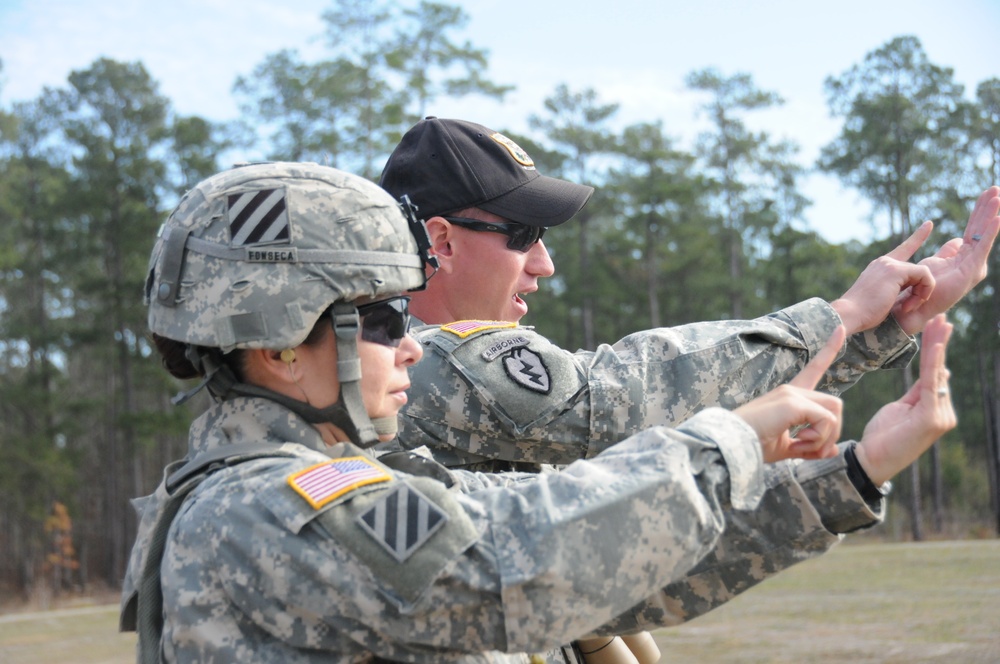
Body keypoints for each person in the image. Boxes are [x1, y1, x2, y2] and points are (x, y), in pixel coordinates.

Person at [119, 161, 957, 663]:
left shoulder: (343, 480)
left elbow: (615, 573)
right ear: (277, 346)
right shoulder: (260, 510)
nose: (410, 343)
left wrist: (851, 474)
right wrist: (729, 437)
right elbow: (521, 566)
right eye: (377, 320)